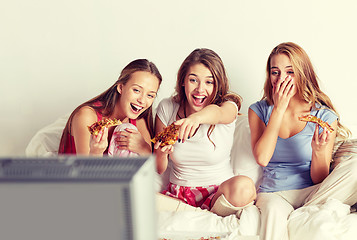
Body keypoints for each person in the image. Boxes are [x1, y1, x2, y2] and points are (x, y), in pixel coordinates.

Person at [248, 42, 357, 240]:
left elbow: (319, 178)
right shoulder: (259, 110)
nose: (281, 79)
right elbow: (262, 158)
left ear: (302, 73)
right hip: (275, 193)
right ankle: (306, 215)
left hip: (314, 192)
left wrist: (318, 151)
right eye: (275, 72)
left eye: (290, 72)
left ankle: (305, 212)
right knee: (272, 214)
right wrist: (279, 109)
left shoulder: (324, 116)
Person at [154, 48, 257, 217]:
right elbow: (160, 168)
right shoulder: (167, 107)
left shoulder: (228, 105)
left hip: (218, 195)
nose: (200, 89)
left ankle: (201, 215)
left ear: (218, 85)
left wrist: (196, 119)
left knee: (245, 187)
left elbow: (219, 114)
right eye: (193, 80)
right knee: (134, 197)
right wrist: (162, 153)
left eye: (209, 82)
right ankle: (198, 216)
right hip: (178, 195)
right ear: (183, 81)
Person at [59, 59, 162, 156]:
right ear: (121, 87)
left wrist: (144, 149)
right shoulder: (86, 116)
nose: (142, 100)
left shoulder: (138, 122)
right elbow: (88, 172)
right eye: (136, 90)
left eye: (150, 95)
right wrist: (95, 153)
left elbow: (152, 170)